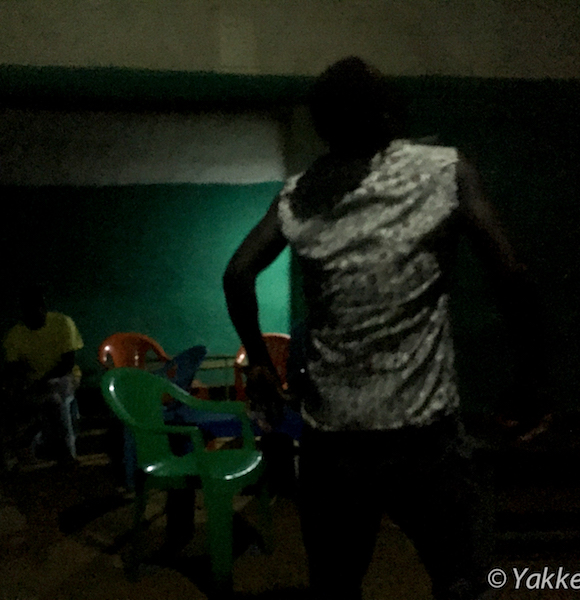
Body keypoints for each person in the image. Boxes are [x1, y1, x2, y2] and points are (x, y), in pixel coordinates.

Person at [223, 56, 547, 600]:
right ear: (387, 113)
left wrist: (259, 362)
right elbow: (510, 275)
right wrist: (532, 377)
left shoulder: (300, 193)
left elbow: (237, 274)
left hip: (332, 441)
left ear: (321, 126)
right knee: (461, 580)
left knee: (336, 585)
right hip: (422, 437)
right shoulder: (443, 171)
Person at [2, 284, 84, 466]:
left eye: (35, 308)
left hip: (64, 376)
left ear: (43, 307)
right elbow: (13, 369)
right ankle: (45, 446)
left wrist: (41, 382)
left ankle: (66, 451)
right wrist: (18, 386)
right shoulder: (15, 334)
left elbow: (67, 364)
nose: (31, 314)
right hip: (35, 382)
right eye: (26, 310)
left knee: (56, 396)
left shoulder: (62, 323)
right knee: (39, 401)